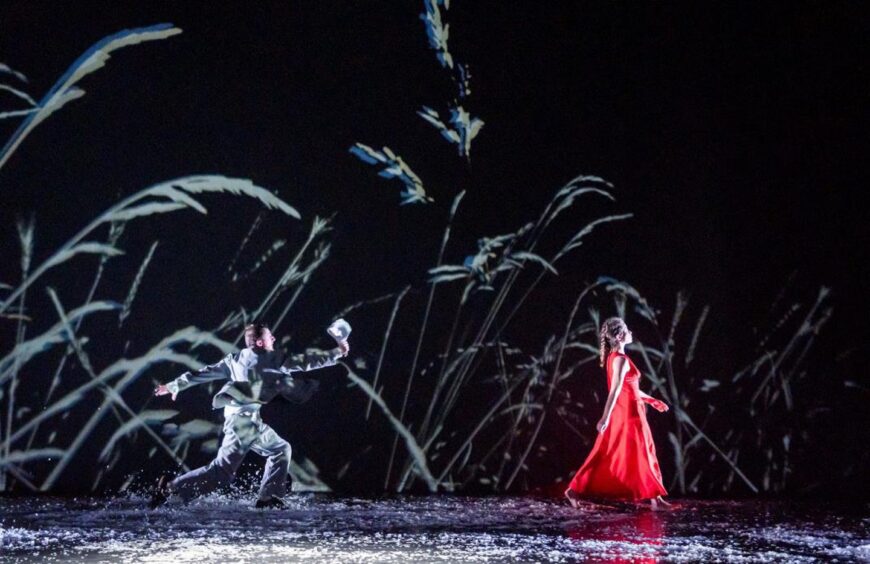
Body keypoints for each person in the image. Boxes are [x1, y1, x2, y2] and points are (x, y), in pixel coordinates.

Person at [150, 322, 349, 509]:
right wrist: (338, 351)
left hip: (249, 420)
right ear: (261, 342)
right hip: (242, 423)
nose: (274, 339)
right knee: (221, 473)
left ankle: (268, 497)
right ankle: (170, 488)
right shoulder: (273, 359)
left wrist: (173, 385)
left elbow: (203, 373)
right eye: (271, 337)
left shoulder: (234, 359)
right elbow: (306, 361)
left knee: (280, 449)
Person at [564, 317, 670, 509]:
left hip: (630, 411)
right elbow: (615, 391)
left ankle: (656, 499)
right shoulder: (620, 360)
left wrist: (651, 400)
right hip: (629, 415)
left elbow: (629, 389)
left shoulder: (617, 358)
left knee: (629, 452)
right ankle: (656, 499)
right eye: (627, 330)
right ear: (620, 336)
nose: (631, 333)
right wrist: (605, 417)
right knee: (640, 452)